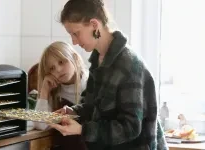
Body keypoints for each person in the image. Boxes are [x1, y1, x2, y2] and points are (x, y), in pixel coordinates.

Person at [48, 0, 168, 149]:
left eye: (76, 33)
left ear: (94, 25)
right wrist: (73, 111)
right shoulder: (98, 60)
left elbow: (130, 127)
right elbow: (92, 105)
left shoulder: (128, 65)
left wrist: (82, 129)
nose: (74, 41)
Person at [34, 41, 88, 150]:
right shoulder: (56, 92)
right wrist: (44, 91)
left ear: (75, 58)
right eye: (52, 68)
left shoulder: (91, 84)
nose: (58, 70)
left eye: (62, 62)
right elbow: (41, 125)